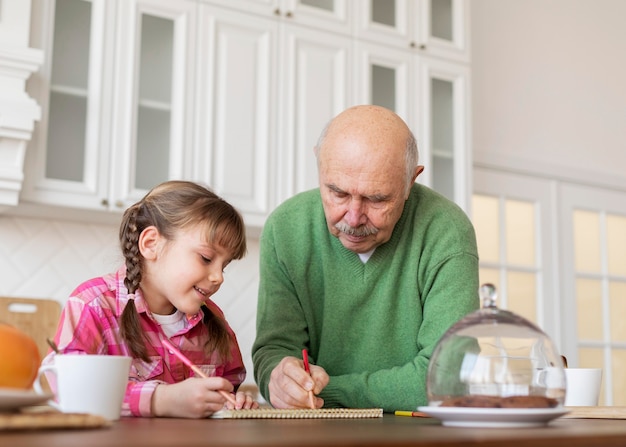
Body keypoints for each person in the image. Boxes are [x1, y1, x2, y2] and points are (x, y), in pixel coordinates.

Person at [252, 105, 479, 412]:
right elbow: (275, 350)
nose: (354, 217)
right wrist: (279, 380)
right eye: (337, 192)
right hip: (312, 434)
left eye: (377, 198)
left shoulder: (447, 231)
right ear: (318, 164)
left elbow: (448, 376)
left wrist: (327, 393)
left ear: (411, 181)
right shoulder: (285, 228)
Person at [43, 180, 258, 418]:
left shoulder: (213, 320)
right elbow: (66, 387)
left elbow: (230, 385)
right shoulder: (93, 305)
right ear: (150, 244)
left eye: (224, 266)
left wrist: (233, 401)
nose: (218, 277)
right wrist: (159, 400)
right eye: (206, 258)